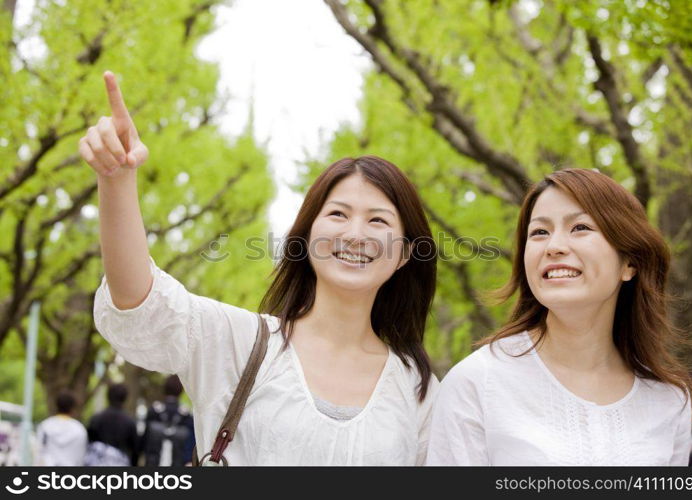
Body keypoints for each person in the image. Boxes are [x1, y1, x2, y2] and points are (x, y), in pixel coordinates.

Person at [83, 71, 439, 465]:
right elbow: (140, 304)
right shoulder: (238, 344)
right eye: (338, 214)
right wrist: (116, 180)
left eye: (378, 221)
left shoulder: (419, 389)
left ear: (406, 254)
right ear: (305, 238)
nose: (355, 234)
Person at [427, 168, 692, 466]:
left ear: (629, 262)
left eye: (580, 227)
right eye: (539, 232)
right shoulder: (477, 383)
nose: (554, 247)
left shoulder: (669, 399)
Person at [140, 375, 194, 466]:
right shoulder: (187, 416)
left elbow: (143, 442)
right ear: (181, 391)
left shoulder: (153, 411)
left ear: (164, 389)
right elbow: (190, 447)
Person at [86, 383, 139, 466]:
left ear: (107, 396)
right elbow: (135, 451)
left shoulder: (96, 419)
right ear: (125, 398)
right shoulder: (130, 422)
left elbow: (88, 444)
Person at [35, 392, 87, 466]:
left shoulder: (45, 426)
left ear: (56, 405)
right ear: (72, 407)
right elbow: (81, 455)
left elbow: (40, 451)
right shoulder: (79, 429)